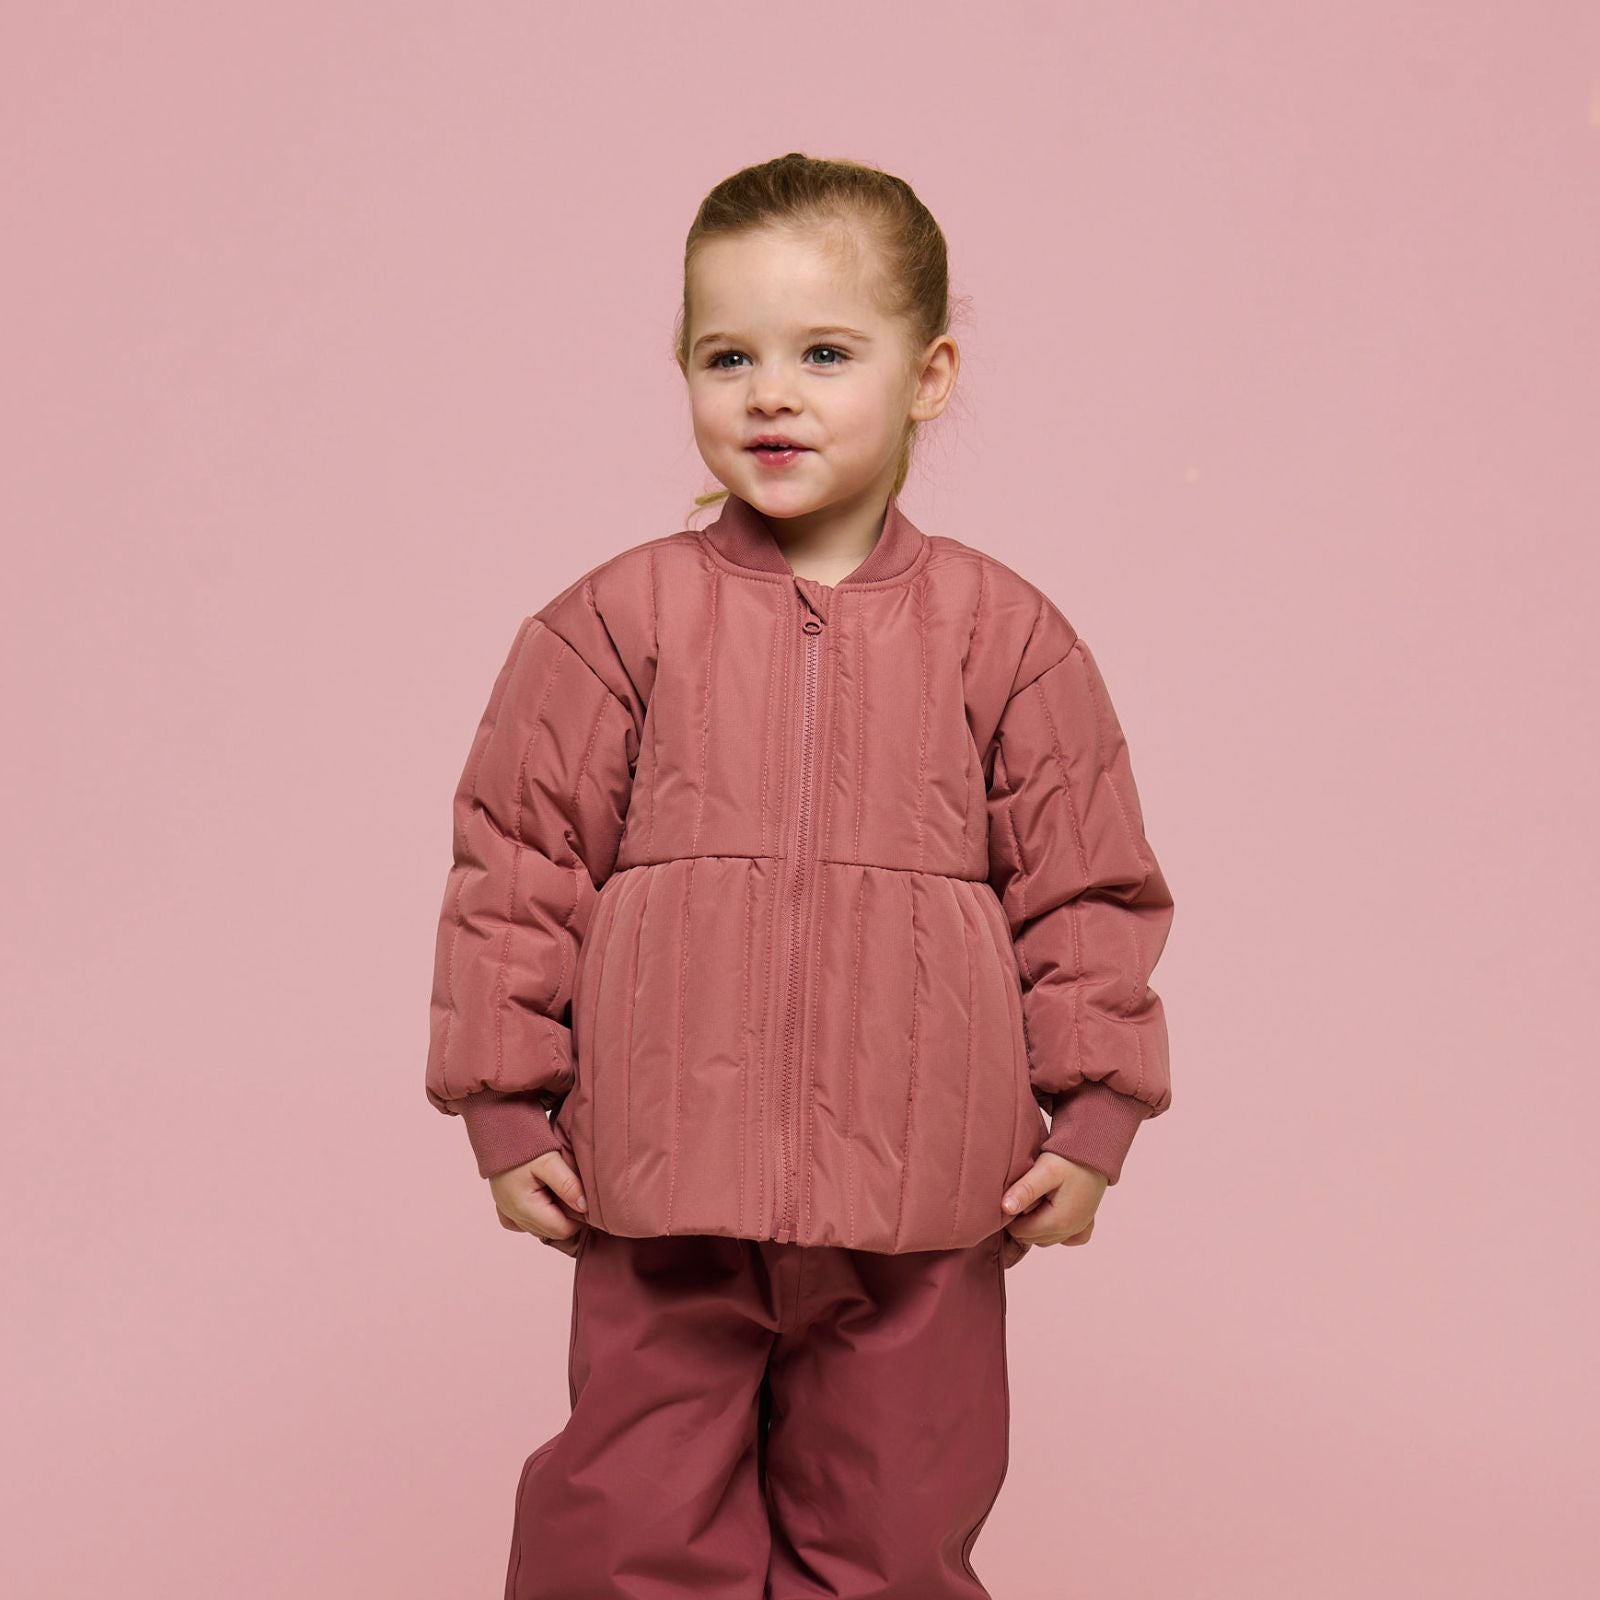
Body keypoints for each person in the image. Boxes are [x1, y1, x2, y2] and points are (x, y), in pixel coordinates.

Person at [422, 151, 1175, 1600]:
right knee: (622, 1529)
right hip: (663, 1187)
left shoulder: (1006, 637)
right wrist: (505, 1108)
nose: (772, 393)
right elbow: (517, 861)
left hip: (927, 1197)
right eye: (730, 357)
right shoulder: (614, 623)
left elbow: (1086, 888)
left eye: (825, 353)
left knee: (892, 1535)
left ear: (928, 373)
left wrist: (1093, 1117)